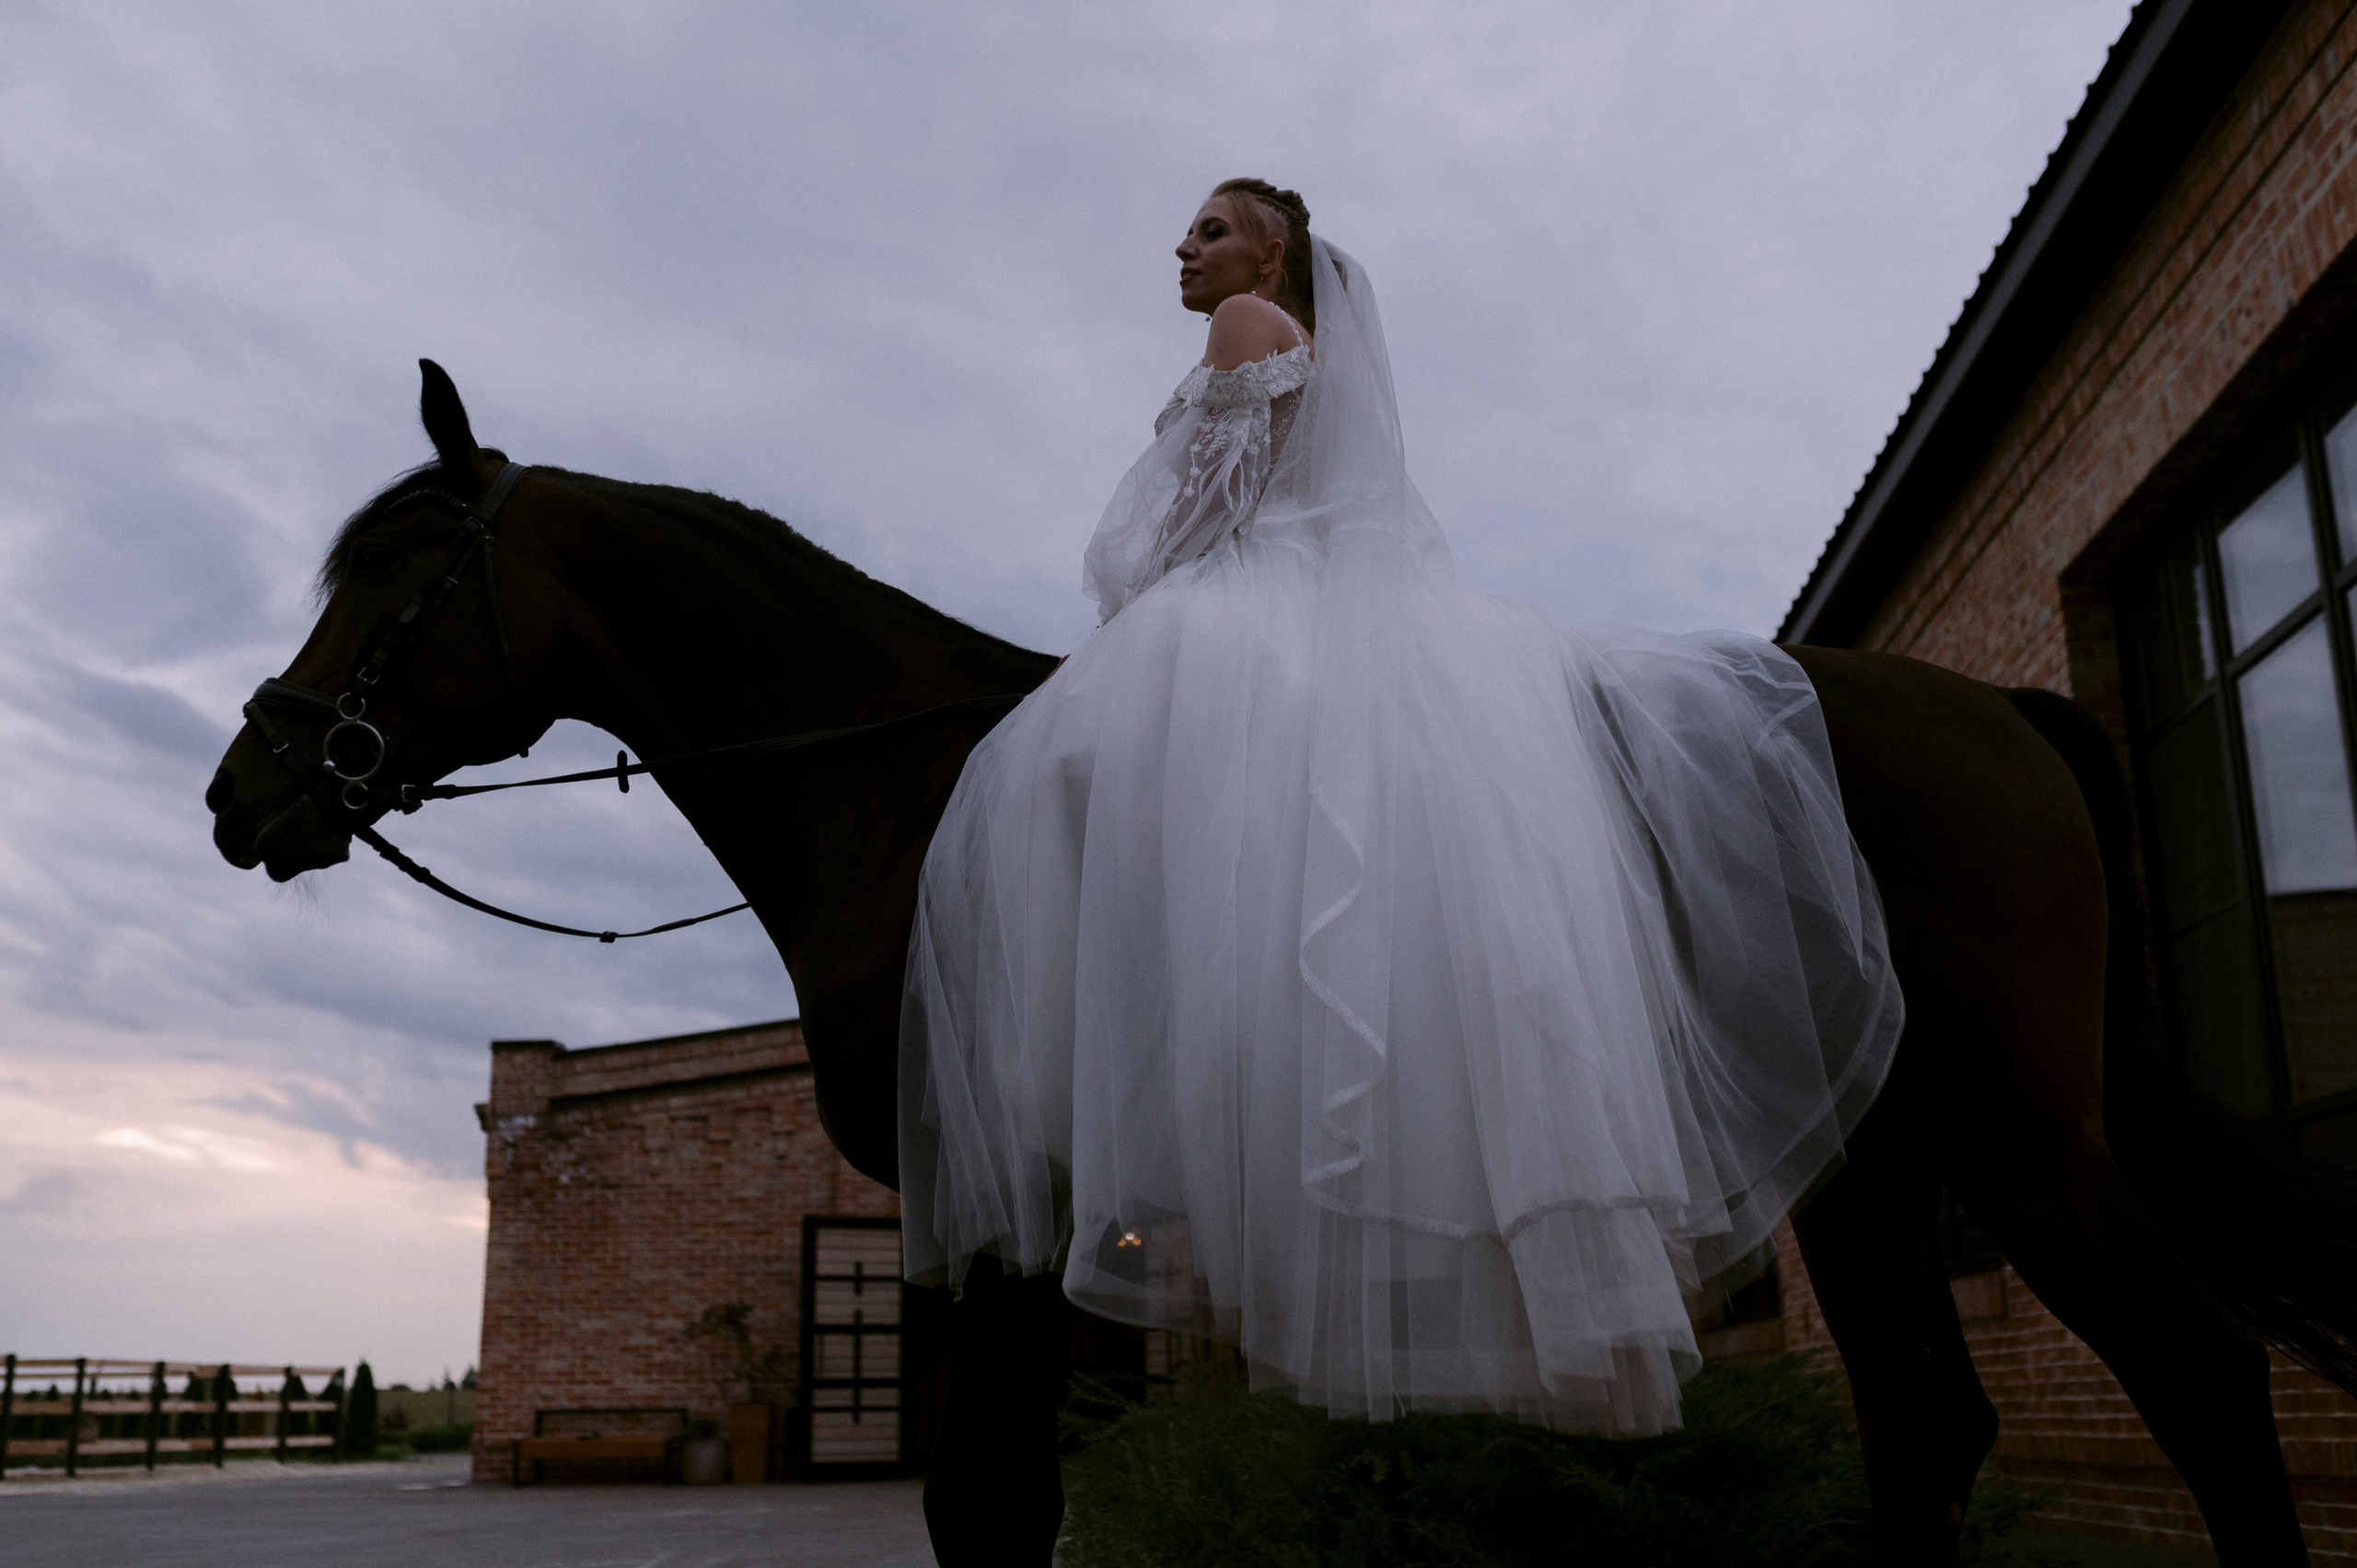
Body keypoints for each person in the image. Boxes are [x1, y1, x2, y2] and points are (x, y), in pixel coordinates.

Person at [899, 179, 1902, 1436]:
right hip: (1321, 598)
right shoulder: (1302, 346)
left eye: (1210, 229)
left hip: (1261, 599)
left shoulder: (1251, 327)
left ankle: (1130, 1045)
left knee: (1059, 772)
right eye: (1191, 231)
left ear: (1269, 252)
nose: (1184, 247)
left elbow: (1216, 507)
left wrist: (1133, 603)